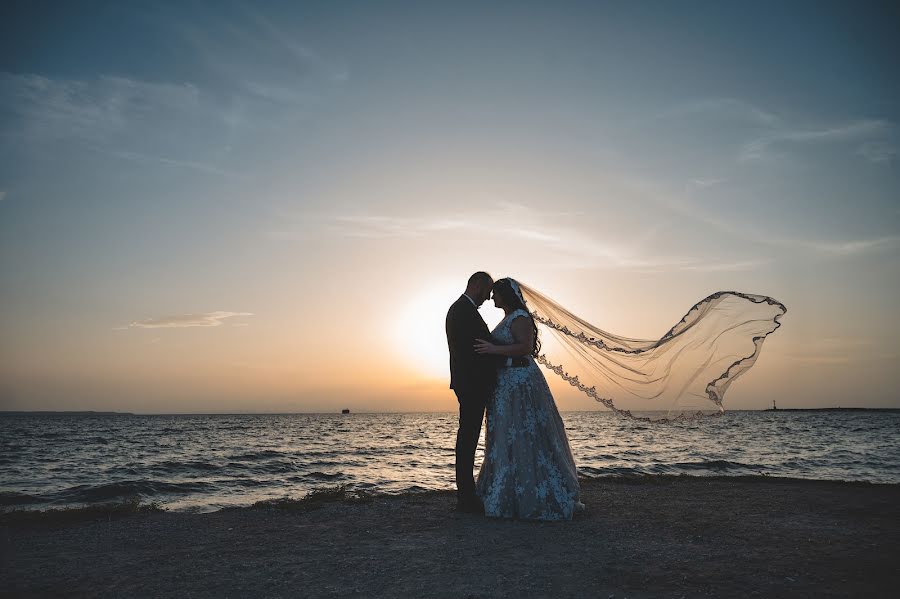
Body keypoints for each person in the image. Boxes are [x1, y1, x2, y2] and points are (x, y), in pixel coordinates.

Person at [473, 277, 582, 520]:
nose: (492, 298)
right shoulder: (507, 318)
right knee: (507, 434)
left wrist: (493, 350)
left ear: (506, 295)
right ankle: (507, 489)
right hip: (506, 384)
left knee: (525, 432)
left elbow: (525, 347)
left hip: (521, 381)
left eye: (496, 294)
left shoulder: (520, 318)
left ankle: (535, 493)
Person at [445, 271, 498, 513]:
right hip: (471, 383)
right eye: (487, 291)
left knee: (468, 437)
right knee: (467, 438)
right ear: (476, 284)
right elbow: (475, 350)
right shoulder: (461, 311)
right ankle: (465, 497)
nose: (488, 298)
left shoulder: (462, 310)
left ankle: (466, 494)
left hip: (469, 382)